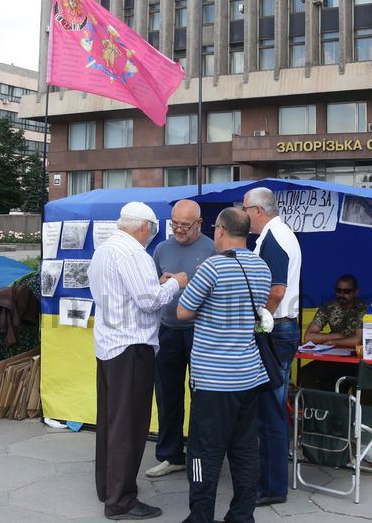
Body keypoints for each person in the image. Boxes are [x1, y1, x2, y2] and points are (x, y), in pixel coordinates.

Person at [87, 202, 189, 521]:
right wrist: (175, 283)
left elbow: (123, 294)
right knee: (129, 426)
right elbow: (148, 302)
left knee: (111, 420)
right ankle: (121, 501)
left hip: (110, 345)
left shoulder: (105, 249)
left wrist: (157, 283)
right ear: (144, 226)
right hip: (132, 347)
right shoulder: (135, 253)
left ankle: (108, 487)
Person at [177, 207, 271, 523]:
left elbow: (183, 312)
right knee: (245, 450)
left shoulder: (212, 268)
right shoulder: (262, 267)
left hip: (213, 379)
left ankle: (201, 516)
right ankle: (242, 516)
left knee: (203, 452)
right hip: (249, 375)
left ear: (219, 230)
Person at [146, 199, 216, 479]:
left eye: (185, 225)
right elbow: (152, 289)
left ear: (199, 223)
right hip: (168, 330)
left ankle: (200, 456)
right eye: (174, 223)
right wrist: (160, 284)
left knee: (202, 397)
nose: (178, 229)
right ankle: (170, 455)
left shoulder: (213, 249)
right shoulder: (162, 248)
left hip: (201, 331)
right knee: (167, 395)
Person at [242, 186, 302, 507]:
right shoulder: (277, 234)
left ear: (258, 210)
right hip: (281, 328)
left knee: (270, 411)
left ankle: (272, 486)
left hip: (276, 329)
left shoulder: (274, 237)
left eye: (245, 209)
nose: (244, 216)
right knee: (271, 409)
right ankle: (270, 481)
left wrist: (260, 320)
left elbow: (277, 290)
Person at [303, 274, 367, 348]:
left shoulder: (362, 308)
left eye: (346, 291)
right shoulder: (329, 307)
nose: (342, 294)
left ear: (356, 292)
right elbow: (308, 337)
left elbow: (357, 341)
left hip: (356, 353)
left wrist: (332, 342)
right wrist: (337, 336)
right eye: (338, 290)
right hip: (333, 350)